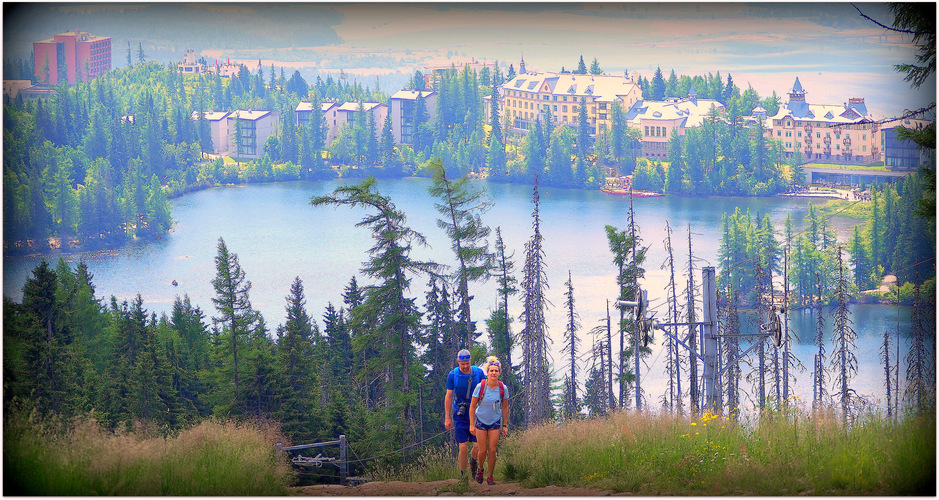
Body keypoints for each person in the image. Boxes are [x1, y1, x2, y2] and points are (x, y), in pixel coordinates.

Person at [444, 349, 486, 481]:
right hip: (461, 413)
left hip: (477, 412)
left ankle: (473, 462)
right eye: (463, 364)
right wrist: (447, 417)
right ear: (458, 362)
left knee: (477, 446)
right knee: (462, 446)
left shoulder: (478, 373)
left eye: (467, 363)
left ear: (470, 361)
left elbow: (486, 389)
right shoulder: (453, 375)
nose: (465, 366)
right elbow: (449, 396)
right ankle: (463, 476)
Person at [469, 356, 509, 485]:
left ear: (499, 372)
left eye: (496, 371)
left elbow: (505, 407)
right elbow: (472, 406)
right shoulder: (480, 386)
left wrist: (505, 425)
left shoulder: (503, 388)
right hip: (480, 420)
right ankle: (480, 469)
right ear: (487, 372)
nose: (493, 373)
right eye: (491, 371)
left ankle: (490, 476)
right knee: (483, 450)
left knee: (492, 449)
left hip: (495, 421)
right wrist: (471, 425)